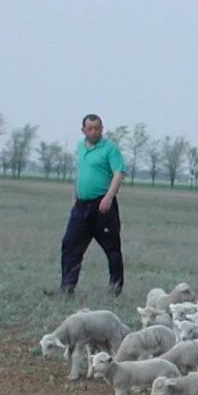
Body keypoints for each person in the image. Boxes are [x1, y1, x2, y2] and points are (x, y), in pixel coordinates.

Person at [56, 113, 125, 297]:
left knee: (112, 249)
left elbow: (118, 173)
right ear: (83, 130)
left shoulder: (110, 149)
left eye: (97, 128)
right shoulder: (79, 147)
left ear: (102, 129)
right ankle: (67, 288)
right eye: (90, 128)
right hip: (81, 207)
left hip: (103, 206)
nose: (93, 132)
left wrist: (109, 197)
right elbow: (80, 175)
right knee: (70, 245)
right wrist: (74, 198)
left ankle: (115, 289)